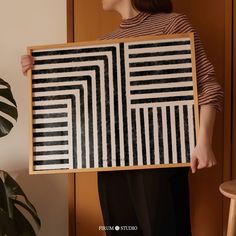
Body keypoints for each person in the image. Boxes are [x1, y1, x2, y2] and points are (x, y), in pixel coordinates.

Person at [21, 0, 223, 235]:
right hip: (110, 161)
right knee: (120, 230)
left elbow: (207, 84)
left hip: (160, 159)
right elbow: (84, 109)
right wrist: (41, 72)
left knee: (165, 229)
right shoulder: (104, 44)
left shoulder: (172, 24)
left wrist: (204, 142)